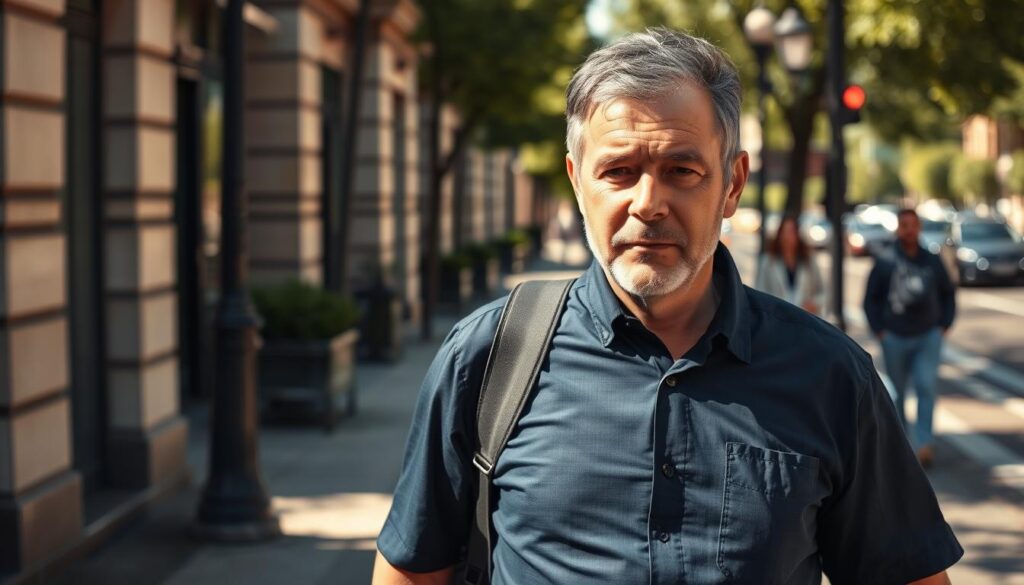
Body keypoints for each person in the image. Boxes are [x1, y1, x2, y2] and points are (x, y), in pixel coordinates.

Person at [374, 29, 961, 584]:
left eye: (681, 170)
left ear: (732, 184)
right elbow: (412, 570)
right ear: (578, 182)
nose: (648, 203)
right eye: (618, 172)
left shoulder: (831, 376)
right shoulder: (487, 359)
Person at [863, 208, 956, 469]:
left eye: (913, 225)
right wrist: (881, 332)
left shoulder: (932, 260)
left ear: (919, 228)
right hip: (895, 337)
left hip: (928, 336)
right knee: (897, 394)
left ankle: (924, 444)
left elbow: (948, 293)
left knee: (926, 387)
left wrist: (943, 326)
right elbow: (871, 299)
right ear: (898, 228)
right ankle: (901, 446)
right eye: (904, 225)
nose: (909, 230)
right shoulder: (885, 260)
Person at [754, 214, 826, 316]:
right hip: (778, 319)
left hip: (805, 318)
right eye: (785, 232)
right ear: (779, 235)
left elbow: (823, 292)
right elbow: (759, 292)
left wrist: (813, 304)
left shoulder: (809, 261)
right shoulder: (768, 262)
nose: (788, 237)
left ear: (798, 235)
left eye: (791, 232)